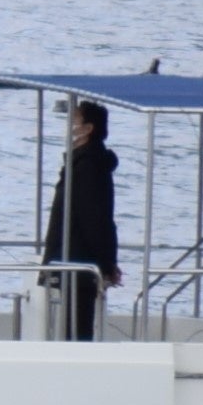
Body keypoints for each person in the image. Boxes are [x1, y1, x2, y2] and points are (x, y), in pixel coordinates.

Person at [41, 98, 123, 341]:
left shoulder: (88, 165)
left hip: (79, 257)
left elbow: (94, 218)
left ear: (88, 129)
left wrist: (106, 263)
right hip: (72, 256)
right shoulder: (82, 162)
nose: (68, 124)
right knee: (72, 323)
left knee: (78, 327)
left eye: (74, 119)